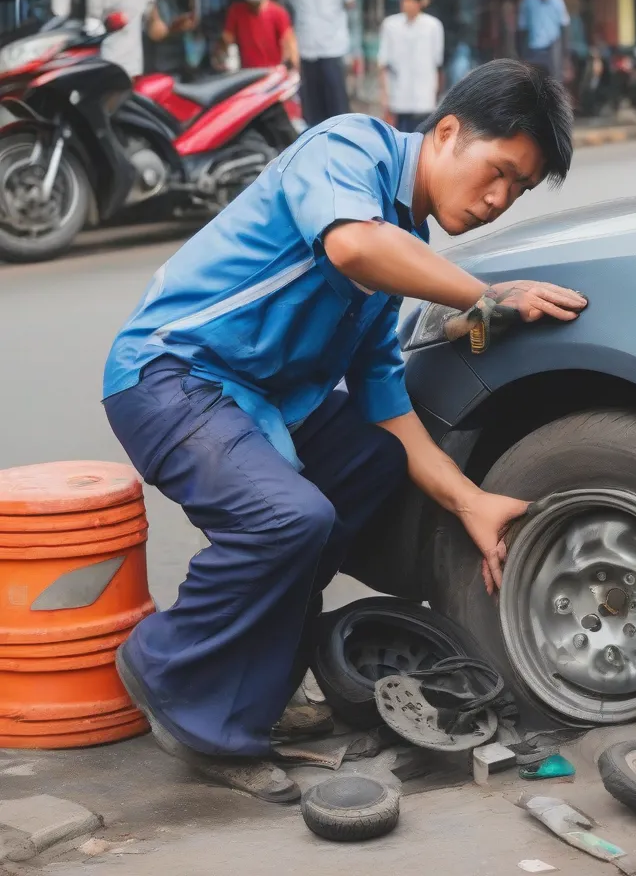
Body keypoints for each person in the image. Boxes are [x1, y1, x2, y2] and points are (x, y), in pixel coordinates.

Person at [102, 58, 584, 803]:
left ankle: (255, 691)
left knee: (372, 464)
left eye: (517, 191)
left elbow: (388, 408)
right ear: (448, 133)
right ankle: (171, 669)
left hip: (257, 402)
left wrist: (469, 502)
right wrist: (491, 297)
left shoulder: (401, 240)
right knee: (290, 519)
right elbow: (351, 247)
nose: (497, 201)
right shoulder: (348, 148)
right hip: (168, 376)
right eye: (497, 172)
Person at [284, 0, 357, 126]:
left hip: (332, 50)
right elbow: (289, 13)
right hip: (305, 52)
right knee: (311, 113)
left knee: (338, 113)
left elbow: (350, 8)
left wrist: (354, 53)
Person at [378, 0, 445, 133]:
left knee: (423, 141)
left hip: (424, 98)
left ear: (422, 1)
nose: (408, 4)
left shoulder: (433, 26)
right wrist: (384, 96)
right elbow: (383, 63)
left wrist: (437, 94)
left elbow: (438, 64)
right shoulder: (390, 25)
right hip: (399, 97)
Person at [220, 0, 298, 70]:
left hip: (272, 74)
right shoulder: (236, 12)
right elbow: (227, 40)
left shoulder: (278, 13)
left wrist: (293, 67)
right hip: (245, 74)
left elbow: (289, 43)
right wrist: (223, 58)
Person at [518, 0, 570, 81]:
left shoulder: (557, 1)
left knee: (554, 83)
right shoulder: (528, 3)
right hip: (533, 51)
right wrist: (522, 54)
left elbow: (565, 27)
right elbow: (522, 30)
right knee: (533, 83)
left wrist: (565, 55)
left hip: (552, 49)